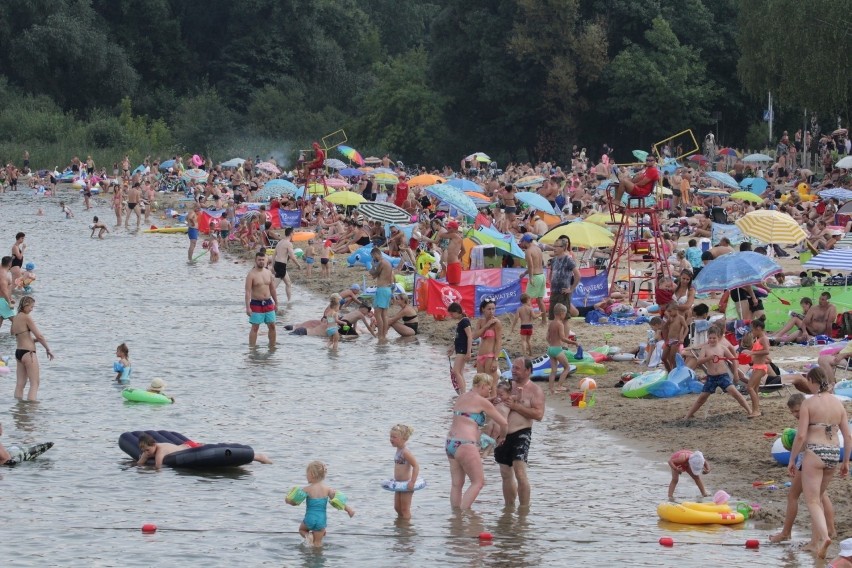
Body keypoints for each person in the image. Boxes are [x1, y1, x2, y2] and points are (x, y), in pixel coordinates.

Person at [787, 367, 851, 558]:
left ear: (812, 381)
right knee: (820, 497)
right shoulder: (838, 404)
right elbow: (847, 435)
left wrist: (792, 459)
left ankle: (823, 538)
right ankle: (816, 543)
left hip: (814, 452)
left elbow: (801, 436)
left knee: (813, 500)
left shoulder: (809, 403)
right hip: (833, 452)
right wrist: (845, 461)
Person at [769, 393, 836, 544]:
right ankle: (831, 529)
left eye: (797, 411)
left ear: (804, 406)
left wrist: (792, 456)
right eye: (792, 412)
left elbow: (802, 439)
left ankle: (786, 533)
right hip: (827, 456)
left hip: (810, 459)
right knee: (822, 495)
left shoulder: (807, 418)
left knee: (793, 495)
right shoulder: (822, 415)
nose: (795, 415)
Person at [446, 374, 507, 509]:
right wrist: (502, 437)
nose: (490, 392)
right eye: (489, 389)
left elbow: (472, 406)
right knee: (478, 482)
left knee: (457, 484)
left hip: (451, 442)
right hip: (465, 444)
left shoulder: (462, 397)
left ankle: (455, 522)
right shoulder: (482, 402)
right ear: (483, 386)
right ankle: (463, 515)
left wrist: (489, 400)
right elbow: (503, 423)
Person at [496, 358, 545, 508]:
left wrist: (516, 406)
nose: (513, 370)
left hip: (521, 433)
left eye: (517, 368)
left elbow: (539, 415)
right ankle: (508, 510)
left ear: (528, 371)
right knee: (505, 473)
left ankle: (524, 511)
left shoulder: (535, 390)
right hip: (502, 434)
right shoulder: (507, 385)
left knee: (520, 473)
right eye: (513, 368)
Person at [683, 326, 753, 419]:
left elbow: (734, 359)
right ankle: (688, 415)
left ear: (719, 338)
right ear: (708, 337)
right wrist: (709, 358)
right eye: (710, 338)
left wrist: (736, 374)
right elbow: (699, 361)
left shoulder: (723, 348)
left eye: (714, 338)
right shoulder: (705, 348)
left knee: (736, 393)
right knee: (702, 398)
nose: (712, 340)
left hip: (723, 376)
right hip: (711, 377)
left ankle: (750, 411)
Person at [285, 460, 355, 546]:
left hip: (309, 518)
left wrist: (287, 500)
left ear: (312, 475)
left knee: (302, 530)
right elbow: (339, 502)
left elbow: (295, 502)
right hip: (321, 520)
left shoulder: (307, 489)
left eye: (307, 474)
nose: (306, 476)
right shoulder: (327, 489)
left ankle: (308, 536)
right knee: (318, 544)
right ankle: (318, 555)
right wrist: (349, 510)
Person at [137, 433, 272, 469]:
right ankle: (257, 457)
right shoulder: (147, 451)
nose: (146, 452)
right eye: (143, 450)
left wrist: (148, 469)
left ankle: (259, 457)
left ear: (154, 444)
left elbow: (159, 467)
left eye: (148, 449)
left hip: (190, 448)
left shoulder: (160, 450)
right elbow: (140, 463)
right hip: (187, 446)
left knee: (215, 450)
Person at [10, 296, 53, 401]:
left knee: (20, 384)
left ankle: (19, 409)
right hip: (28, 353)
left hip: (19, 353)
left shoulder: (15, 318)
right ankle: (32, 409)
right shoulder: (26, 317)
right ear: (25, 305)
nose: (32, 309)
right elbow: (39, 336)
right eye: (31, 307)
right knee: (35, 383)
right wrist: (48, 349)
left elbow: (18, 336)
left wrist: (34, 340)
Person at [244, 250, 278, 348]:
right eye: (259, 260)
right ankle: (252, 348)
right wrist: (247, 307)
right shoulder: (251, 275)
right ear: (255, 260)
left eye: (263, 260)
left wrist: (276, 302)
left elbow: (272, 289)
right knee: (255, 327)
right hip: (256, 303)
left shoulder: (268, 273)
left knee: (272, 326)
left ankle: (272, 346)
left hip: (268, 302)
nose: (261, 262)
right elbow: (247, 292)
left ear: (266, 260)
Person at [548, 236, 581, 328]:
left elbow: (578, 275)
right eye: (553, 246)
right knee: (553, 317)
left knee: (565, 319)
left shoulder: (568, 259)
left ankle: (564, 339)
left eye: (556, 246)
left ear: (563, 248)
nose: (554, 248)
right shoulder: (554, 260)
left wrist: (571, 289)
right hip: (554, 291)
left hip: (563, 292)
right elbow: (552, 272)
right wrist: (550, 281)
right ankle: (557, 338)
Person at [389, 424, 420, 519]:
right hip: (398, 484)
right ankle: (400, 526)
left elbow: (416, 466)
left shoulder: (405, 452)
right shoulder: (398, 450)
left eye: (394, 437)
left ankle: (406, 529)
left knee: (405, 509)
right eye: (390, 436)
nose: (391, 439)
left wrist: (412, 482)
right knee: (397, 508)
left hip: (406, 485)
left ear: (404, 439)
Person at [545, 303, 578, 394]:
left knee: (554, 370)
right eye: (565, 313)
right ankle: (559, 386)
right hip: (557, 349)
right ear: (562, 313)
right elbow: (563, 338)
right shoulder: (560, 324)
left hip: (550, 349)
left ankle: (551, 389)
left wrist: (552, 344)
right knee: (567, 367)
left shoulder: (551, 323)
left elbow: (547, 337)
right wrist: (573, 342)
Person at [473, 299, 502, 388]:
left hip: (490, 356)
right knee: (480, 385)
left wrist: (495, 360)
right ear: (483, 309)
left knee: (491, 384)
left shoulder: (497, 323)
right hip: (480, 356)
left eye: (493, 309)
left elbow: (499, 342)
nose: (491, 311)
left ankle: (492, 400)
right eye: (489, 309)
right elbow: (475, 336)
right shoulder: (480, 322)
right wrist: (486, 326)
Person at [744, 319, 770, 418]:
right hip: (757, 366)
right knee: (754, 389)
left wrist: (752, 353)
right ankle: (756, 409)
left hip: (760, 367)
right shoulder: (759, 339)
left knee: (749, 387)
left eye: (753, 330)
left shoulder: (763, 339)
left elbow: (767, 351)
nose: (752, 332)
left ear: (758, 328)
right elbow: (766, 356)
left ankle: (756, 410)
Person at [519, 233, 547, 323]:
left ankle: (527, 320)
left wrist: (530, 277)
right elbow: (539, 264)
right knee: (540, 300)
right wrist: (524, 273)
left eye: (522, 242)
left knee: (527, 300)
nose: (521, 244)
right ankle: (544, 321)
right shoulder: (538, 249)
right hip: (542, 275)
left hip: (535, 276)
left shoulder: (528, 251)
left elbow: (531, 266)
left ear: (525, 241)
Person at [447, 302, 472, 394]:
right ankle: (463, 392)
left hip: (463, 349)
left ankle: (463, 393)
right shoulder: (461, 322)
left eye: (452, 313)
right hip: (459, 349)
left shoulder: (464, 321)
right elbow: (459, 338)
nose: (451, 316)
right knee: (460, 372)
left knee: (456, 371)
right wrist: (453, 349)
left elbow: (469, 336)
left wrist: (469, 352)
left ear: (457, 311)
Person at [369, 247, 394, 341]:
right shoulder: (388, 263)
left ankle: (380, 335)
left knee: (377, 314)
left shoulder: (381, 263)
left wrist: (371, 265)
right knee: (384, 315)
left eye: (373, 257)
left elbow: (374, 274)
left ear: (376, 254)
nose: (373, 258)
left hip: (382, 289)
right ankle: (384, 335)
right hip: (387, 289)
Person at [273, 227, 302, 303]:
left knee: (288, 283)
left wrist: (273, 266)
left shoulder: (280, 242)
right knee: (273, 287)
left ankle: (289, 301)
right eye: (293, 233)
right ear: (291, 233)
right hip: (281, 265)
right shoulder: (288, 244)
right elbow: (292, 257)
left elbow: (274, 255)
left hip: (277, 264)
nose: (294, 234)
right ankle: (264, 299)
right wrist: (298, 265)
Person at [662, 301, 688, 372]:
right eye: (668, 312)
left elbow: (686, 328)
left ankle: (676, 371)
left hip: (676, 340)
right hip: (669, 340)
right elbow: (664, 328)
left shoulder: (680, 318)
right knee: (663, 358)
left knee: (672, 358)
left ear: (676, 309)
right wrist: (668, 322)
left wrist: (682, 337)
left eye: (670, 311)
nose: (669, 313)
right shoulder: (670, 318)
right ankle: (670, 371)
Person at [0, 256, 15, 330]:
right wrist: (9, 302)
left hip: (3, 300)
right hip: (3, 301)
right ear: (10, 264)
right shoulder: (4, 274)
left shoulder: (2, 271)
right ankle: (15, 339)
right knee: (16, 321)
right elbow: (3, 289)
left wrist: (10, 298)